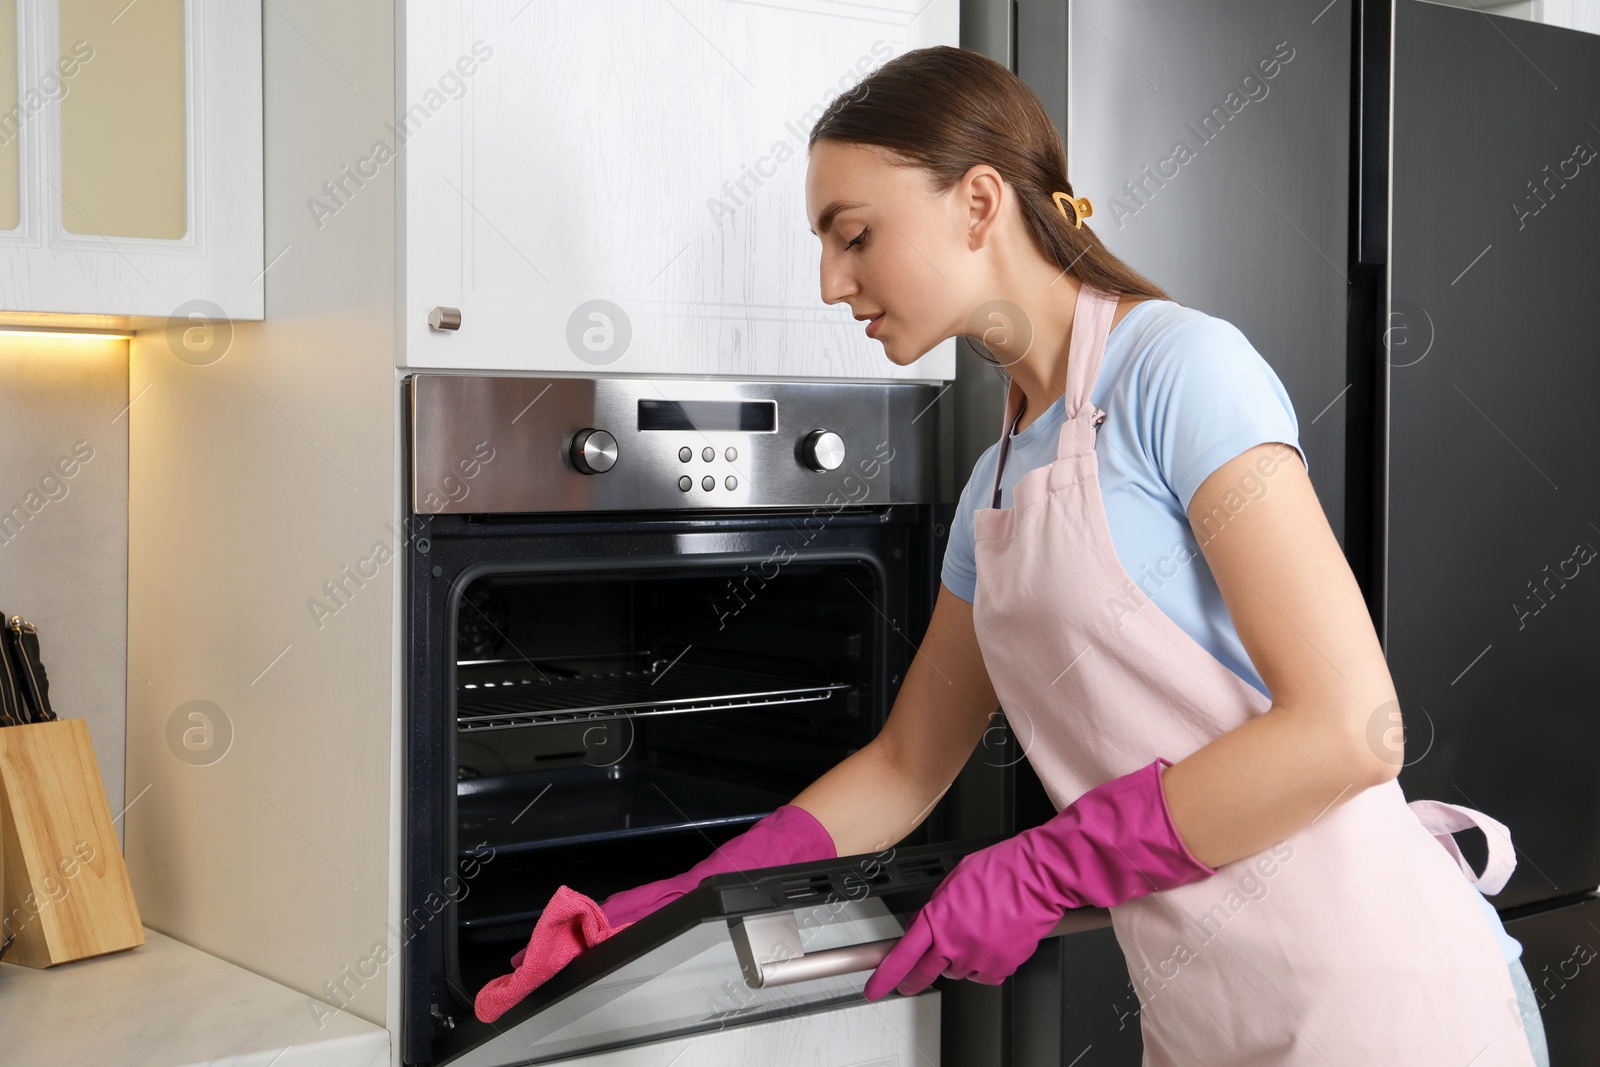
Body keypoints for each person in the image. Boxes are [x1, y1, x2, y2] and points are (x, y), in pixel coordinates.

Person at [598, 46, 1549, 1065]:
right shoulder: (994, 482)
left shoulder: (1180, 370)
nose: (832, 282)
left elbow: (1349, 728)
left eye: (855, 235)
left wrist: (1043, 868)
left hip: (1384, 1005)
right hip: (1206, 1022)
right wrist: (692, 899)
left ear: (976, 204)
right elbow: (907, 763)